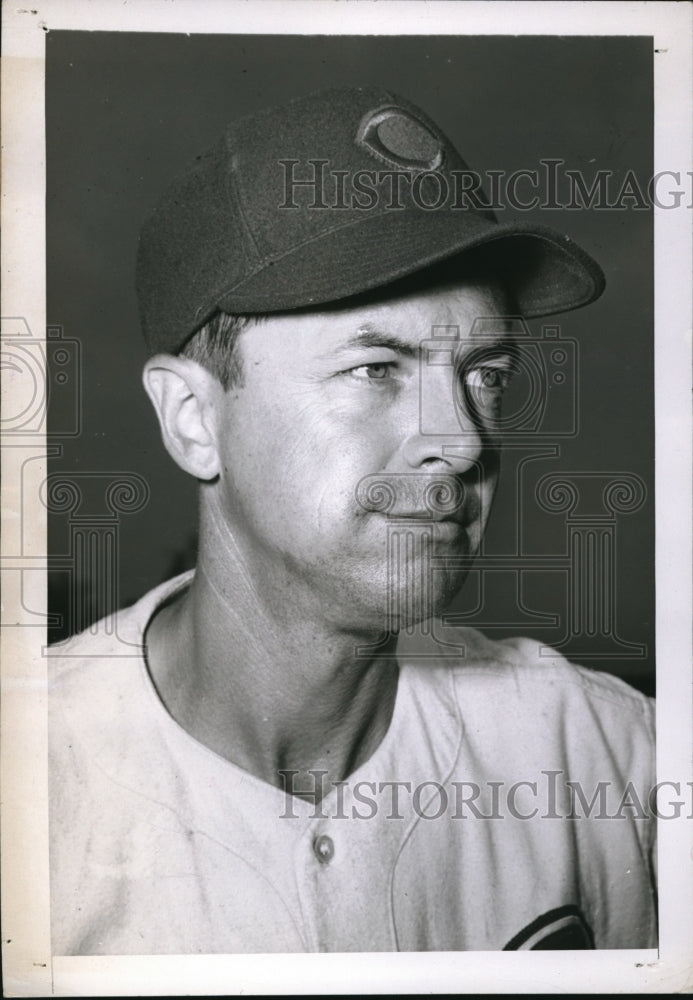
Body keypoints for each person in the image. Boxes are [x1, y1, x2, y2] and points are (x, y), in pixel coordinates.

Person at [49, 86, 656, 954]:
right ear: (193, 418)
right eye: (376, 367)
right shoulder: (30, 786)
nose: (458, 440)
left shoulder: (606, 750)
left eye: (485, 373)